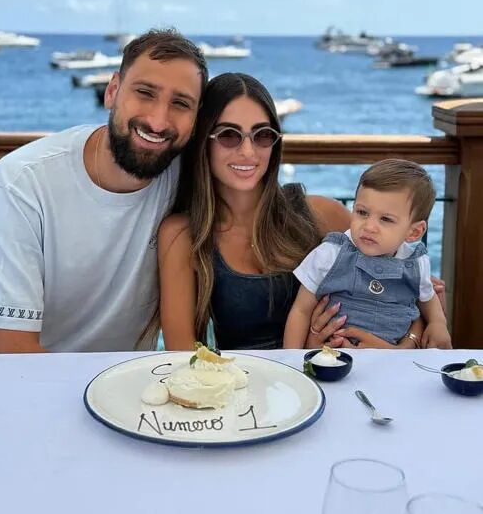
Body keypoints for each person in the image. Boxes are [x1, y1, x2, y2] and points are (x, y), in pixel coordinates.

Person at [0, 29, 208, 354]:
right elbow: (10, 351)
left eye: (180, 104)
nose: (158, 121)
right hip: (3, 378)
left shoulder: (190, 179)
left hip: (116, 380)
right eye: (145, 93)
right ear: (112, 91)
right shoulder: (24, 181)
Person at [156, 74, 429, 351]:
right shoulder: (182, 235)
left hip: (338, 371)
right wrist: (306, 349)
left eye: (262, 135)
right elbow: (182, 355)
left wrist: (403, 346)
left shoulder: (323, 215)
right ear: (203, 141)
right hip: (243, 376)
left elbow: (416, 295)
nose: (248, 151)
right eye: (229, 135)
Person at [284, 159, 452, 349]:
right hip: (335, 354)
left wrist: (438, 323)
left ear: (414, 232)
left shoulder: (415, 263)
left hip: (396, 359)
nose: (369, 227)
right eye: (362, 212)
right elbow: (301, 310)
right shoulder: (331, 253)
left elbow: (428, 298)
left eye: (385, 219)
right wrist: (291, 358)